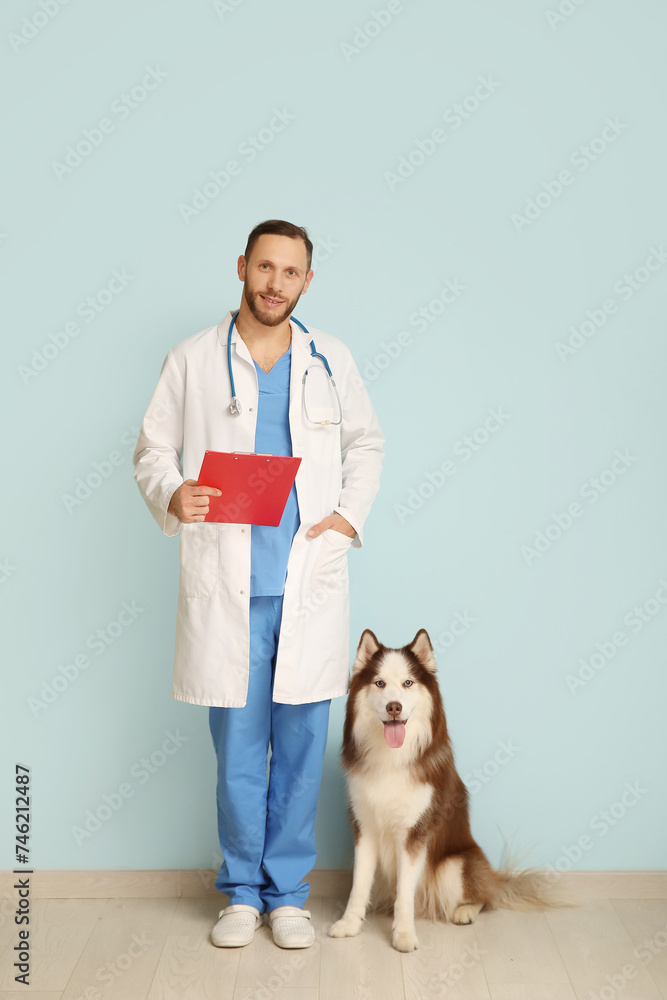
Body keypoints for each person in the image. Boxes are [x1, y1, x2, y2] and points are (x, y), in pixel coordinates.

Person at [132, 218, 384, 949]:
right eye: (264, 267)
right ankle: (241, 893)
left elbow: (365, 440)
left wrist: (345, 516)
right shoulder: (192, 359)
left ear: (307, 281)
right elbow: (151, 447)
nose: (275, 284)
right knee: (239, 750)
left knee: (303, 748)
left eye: (291, 272)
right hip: (228, 585)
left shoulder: (328, 359)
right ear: (242, 266)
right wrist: (174, 491)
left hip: (306, 579)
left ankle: (289, 898)